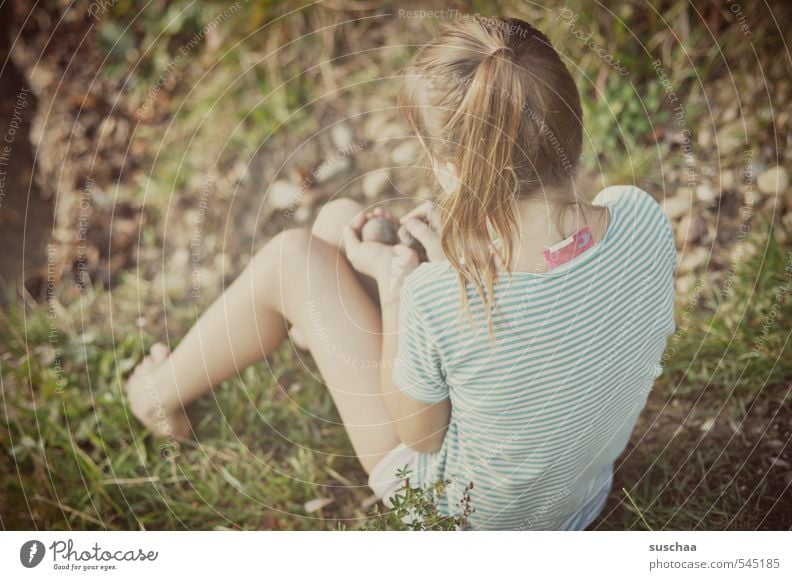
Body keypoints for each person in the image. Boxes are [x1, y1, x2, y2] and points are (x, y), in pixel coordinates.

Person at [126, 16, 676, 530]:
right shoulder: (641, 215)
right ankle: (313, 323)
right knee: (339, 223)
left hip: (462, 518)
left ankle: (154, 395)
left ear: (453, 169)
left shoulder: (437, 297)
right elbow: (553, 310)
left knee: (291, 257)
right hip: (573, 502)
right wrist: (447, 267)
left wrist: (400, 288)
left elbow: (422, 436)